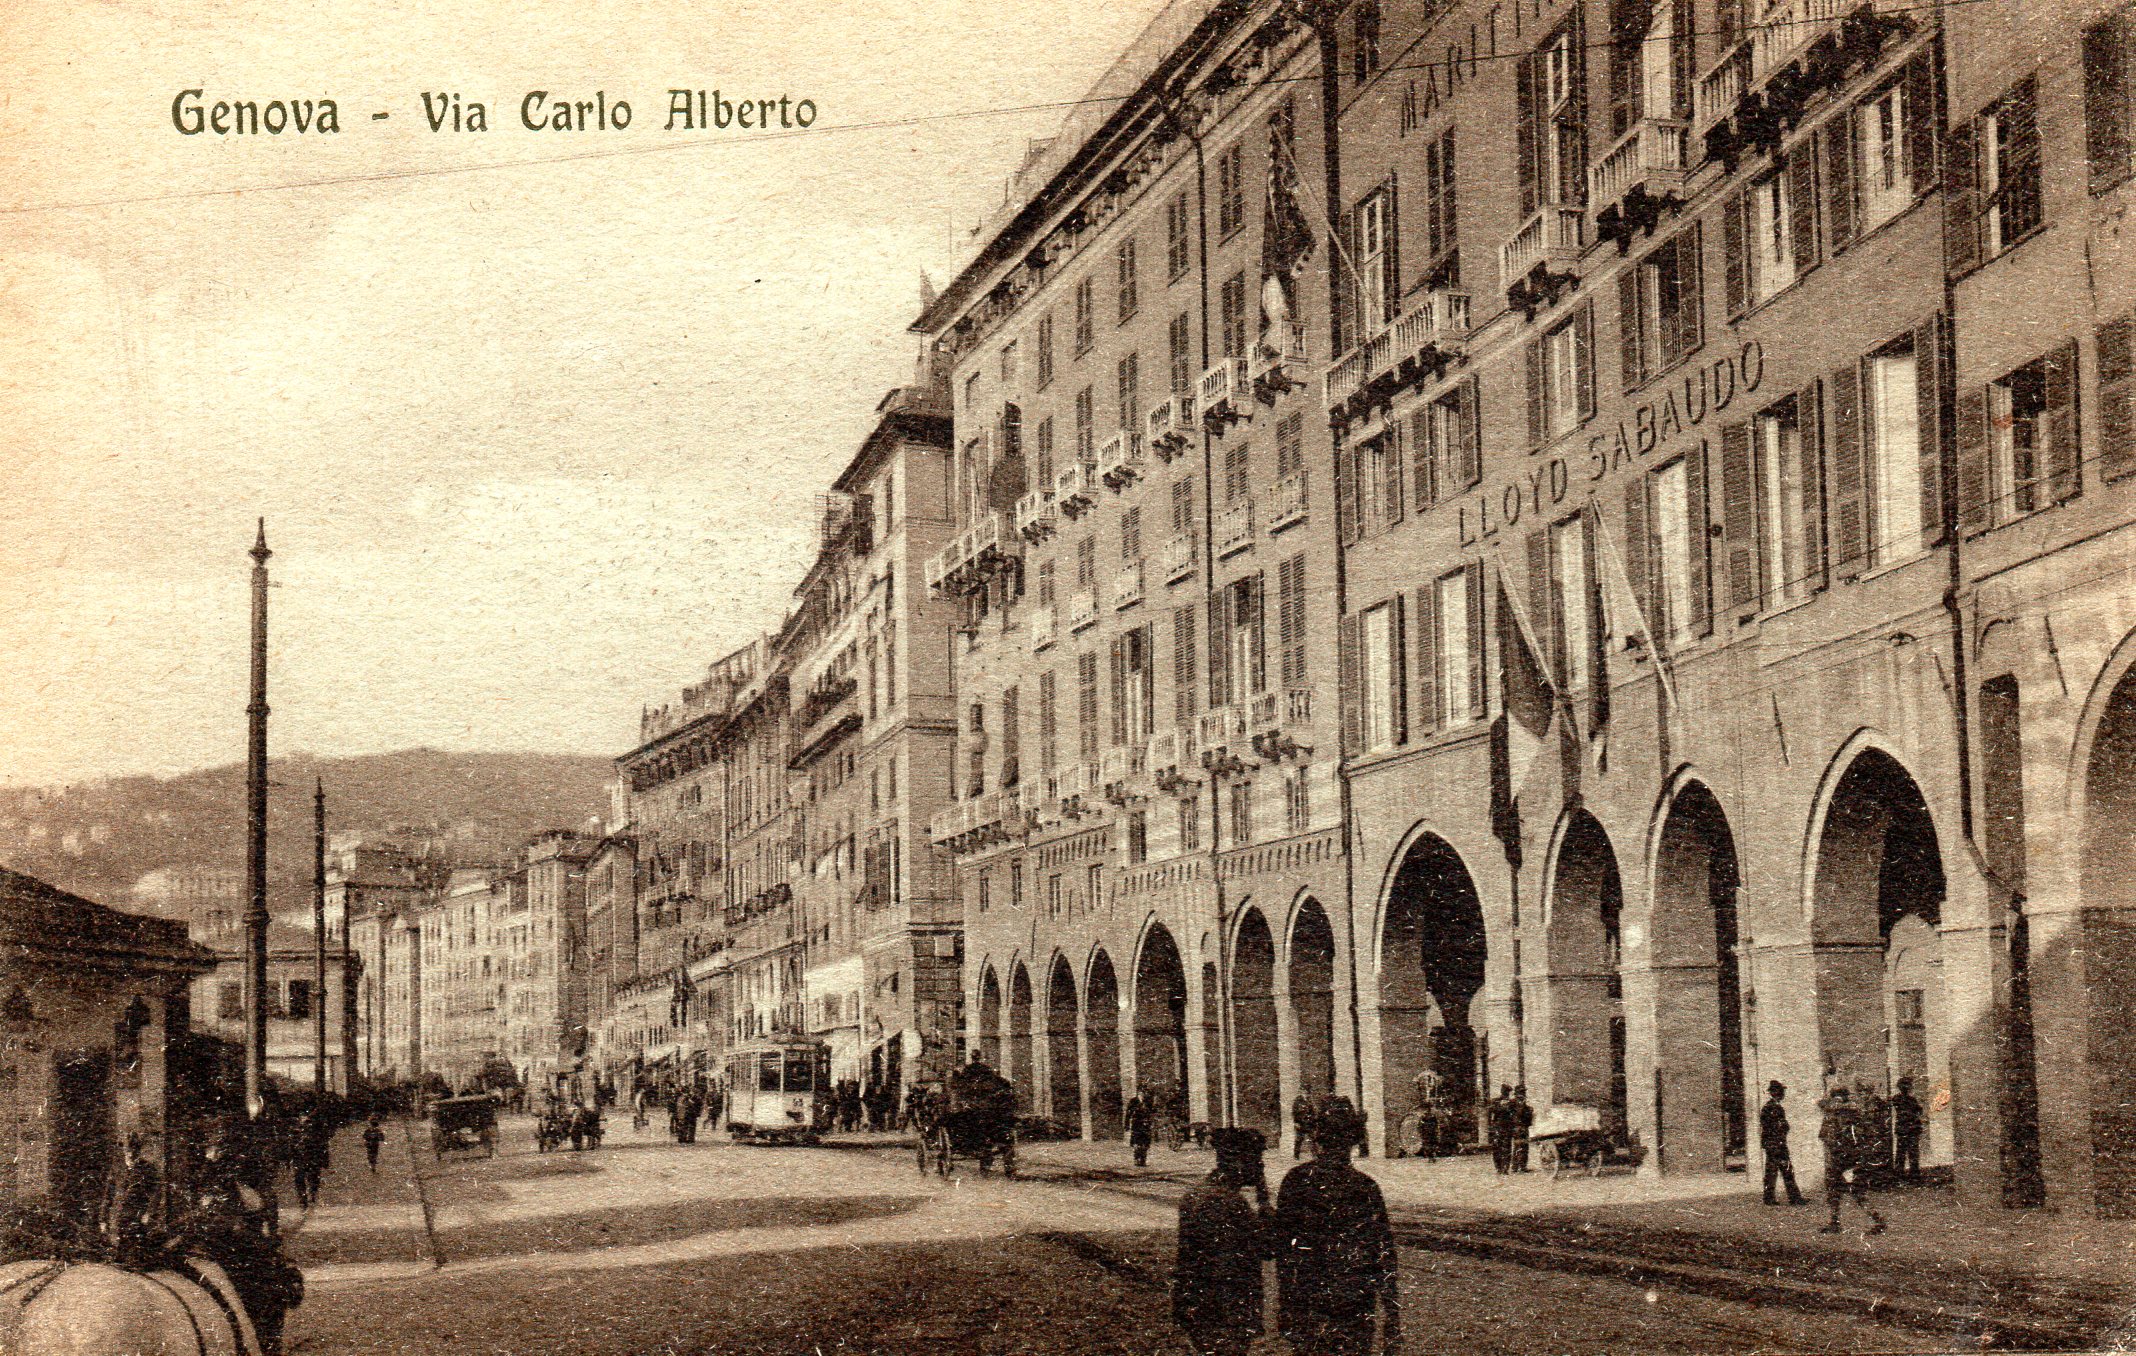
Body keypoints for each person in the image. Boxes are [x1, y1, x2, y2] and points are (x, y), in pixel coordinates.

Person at [1274, 1097, 1399, 1355]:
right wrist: (1392, 1314)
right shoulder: (1365, 1186)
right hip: (1354, 1299)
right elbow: (1384, 1253)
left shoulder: (1296, 1181)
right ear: (1354, 1141)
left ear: (1317, 1139)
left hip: (1309, 1297)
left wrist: (1286, 1303)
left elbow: (1284, 1250)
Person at [1173, 1128, 1272, 1356]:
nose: (1260, 1167)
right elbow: (1266, 1249)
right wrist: (1265, 1204)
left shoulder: (1196, 1194)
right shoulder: (1232, 1203)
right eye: (1256, 1160)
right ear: (1239, 1162)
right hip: (1226, 1307)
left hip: (1196, 1302)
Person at [1818, 1087, 1887, 1236]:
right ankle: (1836, 1222)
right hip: (1847, 1159)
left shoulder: (1839, 1116)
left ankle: (1877, 1221)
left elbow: (1828, 1138)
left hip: (1844, 1160)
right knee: (1842, 1192)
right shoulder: (1850, 1114)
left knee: (1848, 1191)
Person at [1760, 1081, 1807, 1206]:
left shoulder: (1768, 1107)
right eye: (1781, 1091)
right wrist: (1784, 1129)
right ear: (1777, 1093)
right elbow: (1779, 1126)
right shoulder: (1774, 1108)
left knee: (1772, 1171)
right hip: (1777, 1144)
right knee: (1786, 1171)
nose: (1783, 1094)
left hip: (1771, 1144)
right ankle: (1794, 1198)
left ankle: (1769, 1198)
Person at [1891, 1078, 1924, 1185]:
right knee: (1906, 1153)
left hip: (1907, 1129)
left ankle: (1908, 1174)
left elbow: (1918, 1110)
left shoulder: (1903, 1099)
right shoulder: (1903, 1099)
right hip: (1908, 1129)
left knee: (1908, 1153)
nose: (1906, 1088)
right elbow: (1917, 1110)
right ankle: (1907, 1175)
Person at [1486, 1084, 1516, 1176]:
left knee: (1507, 1148)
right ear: (1501, 1091)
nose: (1505, 1093)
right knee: (1497, 1149)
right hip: (1497, 1128)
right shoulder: (1495, 1101)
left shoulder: (1512, 1103)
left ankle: (1505, 1168)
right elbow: (1490, 1112)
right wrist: (1490, 1127)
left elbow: (1514, 1114)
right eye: (1504, 1092)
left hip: (1507, 1128)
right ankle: (1498, 1168)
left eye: (1507, 1092)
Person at [1125, 1093, 1155, 1167]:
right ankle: (1136, 1159)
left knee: (1145, 1143)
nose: (1143, 1094)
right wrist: (1127, 1125)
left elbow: (1152, 1112)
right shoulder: (1133, 1101)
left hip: (1146, 1125)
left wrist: (1151, 1122)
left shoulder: (1148, 1101)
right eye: (1141, 1092)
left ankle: (1143, 1160)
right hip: (1137, 1124)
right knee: (1137, 1143)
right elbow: (1128, 1114)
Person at [1511, 1086, 1535, 1172]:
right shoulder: (1514, 1103)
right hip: (1517, 1127)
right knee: (1518, 1146)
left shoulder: (1522, 1103)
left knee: (1524, 1147)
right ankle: (1515, 1166)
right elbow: (1519, 1113)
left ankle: (1522, 1166)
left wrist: (1529, 1109)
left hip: (1523, 1127)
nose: (1523, 1094)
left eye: (1523, 1092)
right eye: (1522, 1092)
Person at [1292, 1094, 1318, 1160]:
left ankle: (1315, 1155)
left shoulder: (1310, 1100)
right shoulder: (1298, 1100)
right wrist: (1296, 1122)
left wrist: (1313, 1121)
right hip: (1301, 1123)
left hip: (1309, 1123)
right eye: (1303, 1091)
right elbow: (1294, 1112)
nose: (1305, 1093)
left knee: (1313, 1139)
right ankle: (1296, 1155)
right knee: (1299, 1140)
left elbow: (1313, 1112)